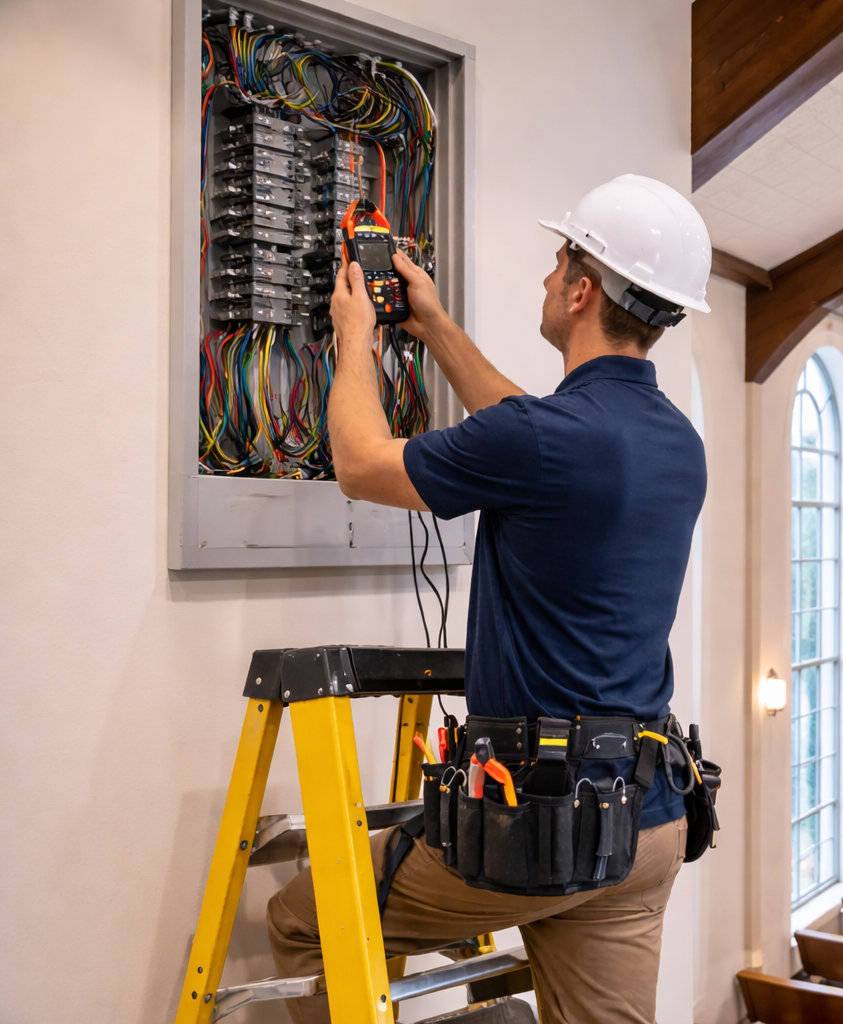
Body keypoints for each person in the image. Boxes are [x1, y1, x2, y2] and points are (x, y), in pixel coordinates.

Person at [266, 175, 712, 1024]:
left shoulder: (540, 441)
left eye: (559, 260)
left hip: (534, 826)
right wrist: (434, 325)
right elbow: (530, 429)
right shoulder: (673, 441)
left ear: (581, 290)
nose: (547, 275)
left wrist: (354, 335)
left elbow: (360, 463)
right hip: (647, 821)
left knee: (303, 920)